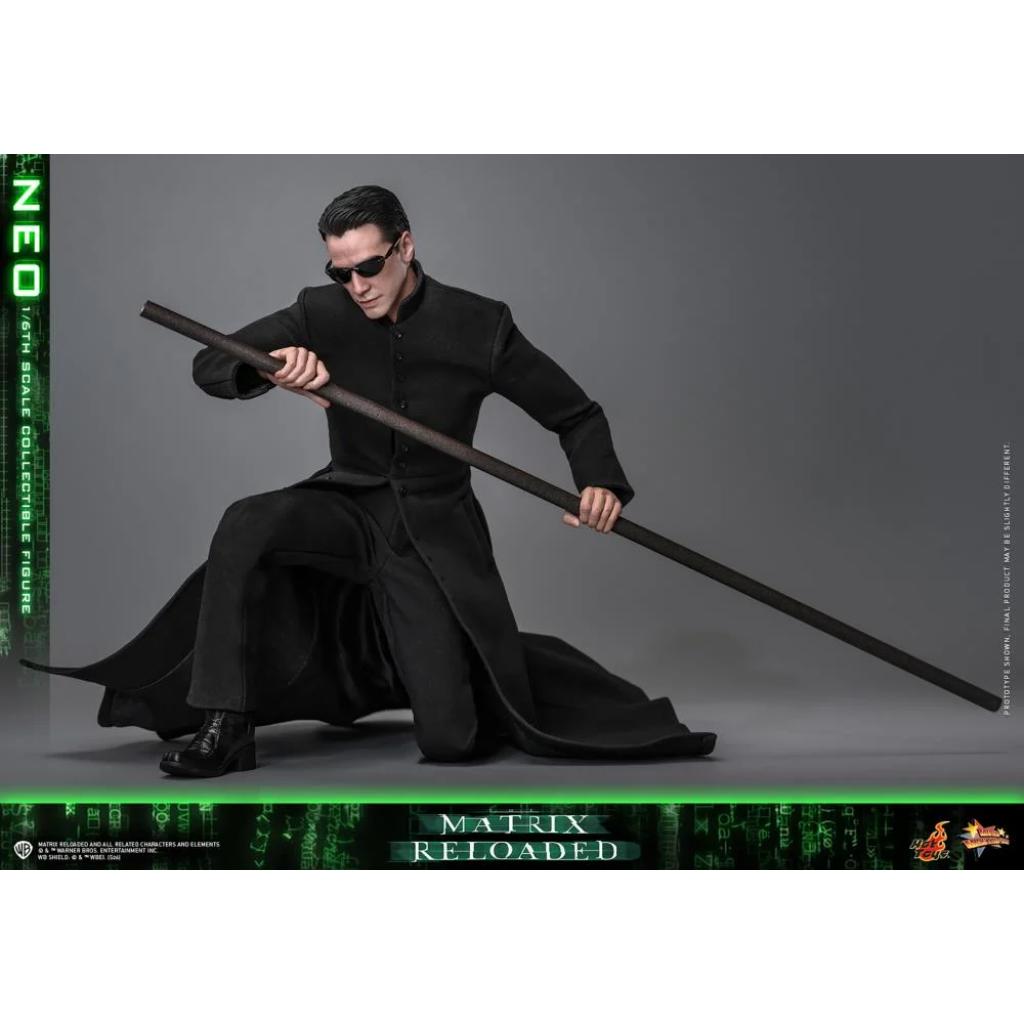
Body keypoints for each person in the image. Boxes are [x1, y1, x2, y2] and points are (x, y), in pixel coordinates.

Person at [25, 185, 716, 776]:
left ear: (405, 247)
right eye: (341, 271)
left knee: (452, 743)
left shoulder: (481, 325)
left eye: (369, 266)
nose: (356, 286)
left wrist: (600, 485)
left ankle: (467, 659)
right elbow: (209, 363)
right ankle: (225, 726)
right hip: (349, 506)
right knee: (247, 519)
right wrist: (269, 368)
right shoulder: (319, 311)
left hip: (432, 531)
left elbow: (576, 413)